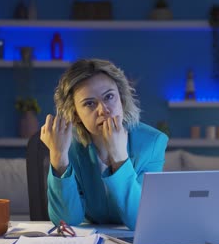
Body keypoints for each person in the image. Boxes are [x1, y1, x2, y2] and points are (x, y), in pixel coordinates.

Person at [40, 58, 168, 230]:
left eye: (109, 97)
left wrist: (119, 156)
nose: (103, 110)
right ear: (76, 113)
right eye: (89, 103)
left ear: (121, 99)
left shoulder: (152, 143)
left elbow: (140, 221)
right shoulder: (68, 146)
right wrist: (58, 157)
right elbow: (67, 221)